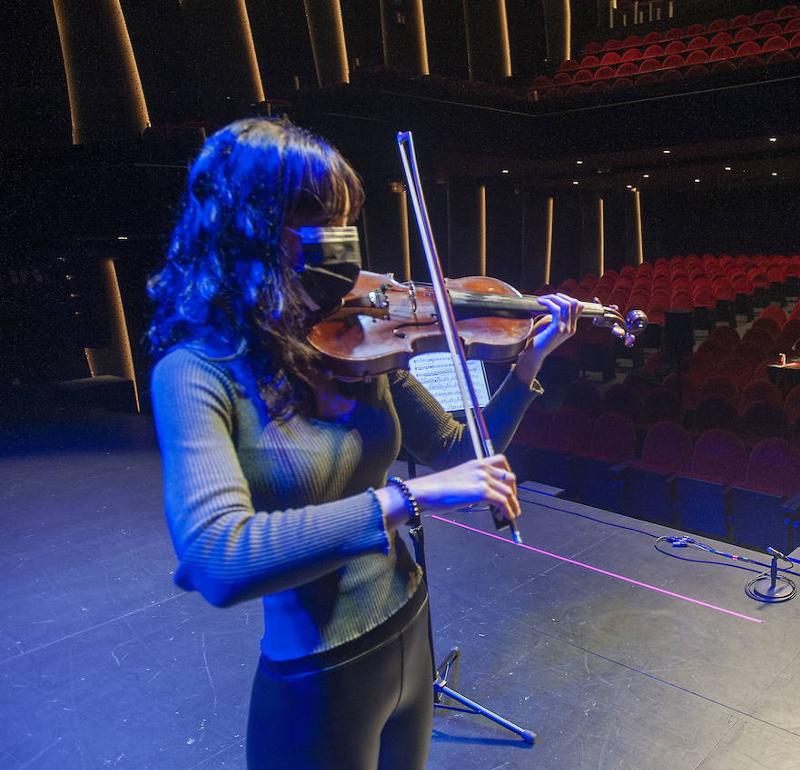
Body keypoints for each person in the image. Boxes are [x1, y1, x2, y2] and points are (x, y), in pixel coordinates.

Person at [146, 117, 582, 770]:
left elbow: (459, 454)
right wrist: (405, 499)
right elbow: (216, 557)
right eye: (318, 218)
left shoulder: (359, 339)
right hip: (320, 674)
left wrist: (527, 366)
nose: (343, 242)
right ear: (246, 226)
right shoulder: (198, 373)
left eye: (347, 218)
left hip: (409, 626)